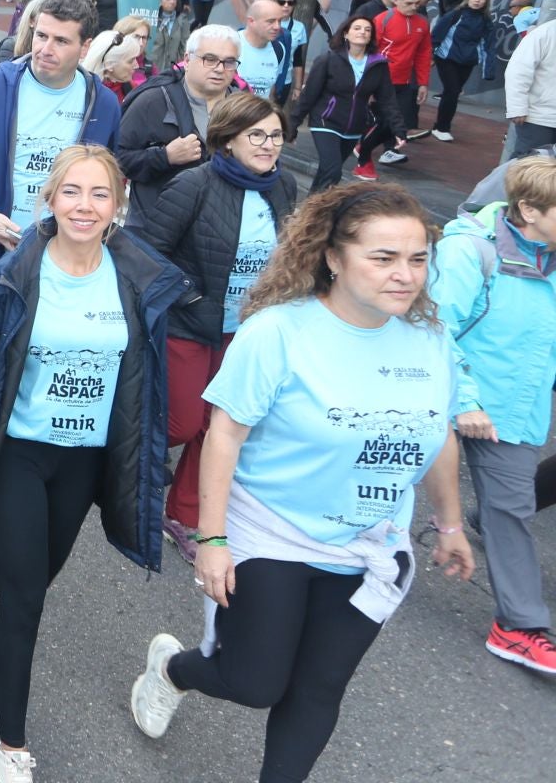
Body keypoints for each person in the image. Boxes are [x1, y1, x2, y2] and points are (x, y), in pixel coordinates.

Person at [126, 185, 476, 783]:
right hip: (274, 531)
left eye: (418, 259)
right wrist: (212, 540)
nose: (405, 275)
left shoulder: (431, 338)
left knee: (318, 691)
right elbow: (224, 435)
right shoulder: (278, 333)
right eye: (384, 257)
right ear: (334, 259)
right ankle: (173, 671)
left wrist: (450, 524)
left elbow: (439, 433)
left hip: (370, 542)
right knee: (254, 683)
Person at [0, 146, 187, 783]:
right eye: (72, 192)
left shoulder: (139, 279)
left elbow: (147, 377)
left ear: (118, 203)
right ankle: (9, 748)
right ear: (50, 199)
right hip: (18, 451)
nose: (84, 206)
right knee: (29, 602)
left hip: (86, 459)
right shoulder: (13, 276)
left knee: (34, 579)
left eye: (99, 194)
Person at [136, 93, 298, 556]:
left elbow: (290, 252)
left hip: (246, 329)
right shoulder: (193, 185)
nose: (269, 145)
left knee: (220, 423)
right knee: (183, 423)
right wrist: (188, 295)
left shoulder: (282, 188)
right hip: (189, 322)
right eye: (257, 136)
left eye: (276, 136)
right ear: (227, 140)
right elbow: (151, 253)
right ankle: (122, 448)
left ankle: (183, 514)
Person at [0, 0, 120, 357]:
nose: (45, 47)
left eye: (61, 40)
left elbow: (107, 179)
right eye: (41, 35)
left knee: (21, 362)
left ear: (86, 45)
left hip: (51, 255)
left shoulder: (103, 103)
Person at [428, 156, 556, 673]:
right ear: (528, 209)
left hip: (516, 410)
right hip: (453, 398)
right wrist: (467, 402)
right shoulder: (468, 252)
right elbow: (434, 329)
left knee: (510, 507)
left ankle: (518, 627)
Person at [116, 24, 241, 218]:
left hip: (216, 227)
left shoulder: (243, 108)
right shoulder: (153, 100)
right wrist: (164, 156)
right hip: (154, 227)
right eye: (209, 59)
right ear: (187, 60)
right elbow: (116, 160)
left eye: (229, 62)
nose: (219, 69)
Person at [289, 15, 405, 190]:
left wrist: (399, 129)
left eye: (367, 30)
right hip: (325, 122)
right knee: (333, 170)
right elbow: (309, 95)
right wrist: (292, 125)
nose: (362, 32)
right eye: (357, 28)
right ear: (346, 34)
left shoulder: (378, 65)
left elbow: (387, 100)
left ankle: (310, 208)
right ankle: (317, 211)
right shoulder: (328, 60)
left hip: (354, 127)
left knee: (327, 172)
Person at [363, 0, 431, 165]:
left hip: (405, 79)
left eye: (417, 3)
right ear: (396, 0)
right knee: (382, 116)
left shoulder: (422, 23)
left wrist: (423, 83)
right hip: (381, 77)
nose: (414, 7)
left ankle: (389, 150)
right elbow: (370, 51)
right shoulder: (383, 19)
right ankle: (364, 146)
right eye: (408, 3)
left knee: (397, 116)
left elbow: (424, 54)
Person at [427, 0, 494, 142]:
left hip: (467, 61)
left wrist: (488, 70)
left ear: (486, 2)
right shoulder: (456, 14)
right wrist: (430, 55)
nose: (477, 1)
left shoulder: (486, 21)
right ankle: (441, 127)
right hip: (446, 57)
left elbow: (488, 45)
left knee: (454, 93)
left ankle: (441, 125)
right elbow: (436, 34)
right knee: (452, 91)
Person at [505, 14, 556, 160]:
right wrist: (517, 108)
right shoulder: (545, 32)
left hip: (542, 114)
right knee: (526, 168)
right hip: (540, 117)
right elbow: (518, 71)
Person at [233, 0, 291, 101]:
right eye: (270, 21)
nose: (277, 27)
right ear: (251, 21)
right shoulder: (231, 44)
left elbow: (272, 87)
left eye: (280, 21)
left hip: (261, 113)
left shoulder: (279, 49)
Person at [147, 0, 189, 74]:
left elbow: (185, 45)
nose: (172, 1)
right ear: (160, 1)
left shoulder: (182, 20)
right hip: (154, 68)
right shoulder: (152, 20)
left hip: (174, 69)